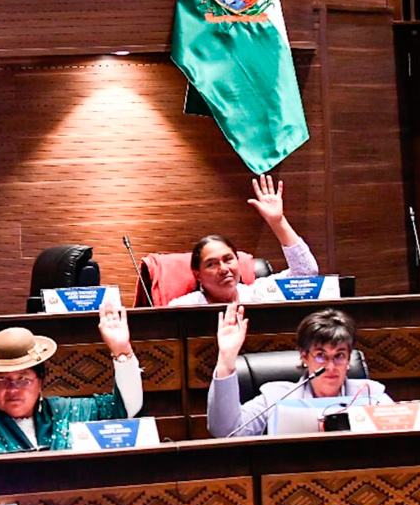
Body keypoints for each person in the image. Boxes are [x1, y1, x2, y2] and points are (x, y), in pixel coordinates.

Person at [0, 301, 143, 455]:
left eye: (23, 379)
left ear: (40, 382)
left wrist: (121, 351)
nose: (13, 389)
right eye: (2, 380)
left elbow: (125, 409)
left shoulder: (65, 412)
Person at [207, 304, 392, 437]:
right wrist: (226, 361)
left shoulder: (372, 396)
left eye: (339, 356)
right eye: (321, 355)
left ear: (349, 358)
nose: (330, 366)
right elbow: (228, 431)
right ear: (304, 357)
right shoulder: (277, 397)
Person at [168, 175, 319, 306]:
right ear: (198, 275)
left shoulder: (257, 295)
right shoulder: (182, 308)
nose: (224, 269)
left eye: (228, 259)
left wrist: (277, 222)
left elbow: (306, 273)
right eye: (211, 264)